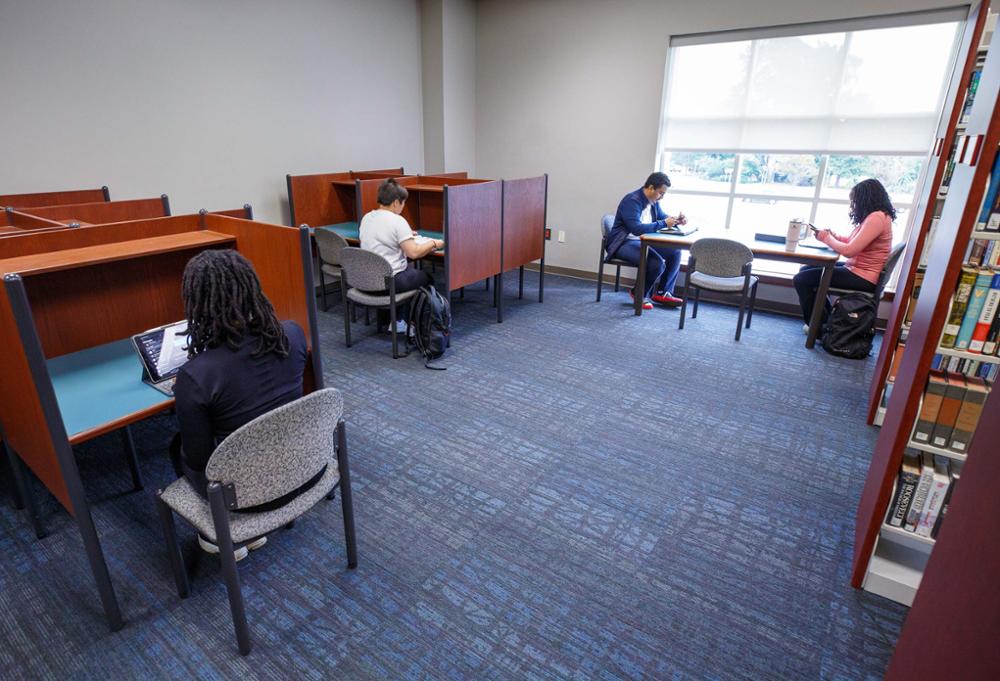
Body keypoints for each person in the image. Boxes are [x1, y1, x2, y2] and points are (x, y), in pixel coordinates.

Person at [171, 249, 310, 559]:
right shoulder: (292, 334)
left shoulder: (196, 376)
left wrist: (187, 398)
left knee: (177, 447)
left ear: (196, 305)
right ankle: (249, 529)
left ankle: (228, 533)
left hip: (247, 495)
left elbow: (199, 460)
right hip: (303, 468)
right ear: (251, 288)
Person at [793, 178, 894, 330]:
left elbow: (849, 251)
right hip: (859, 269)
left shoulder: (876, 218)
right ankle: (825, 322)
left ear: (865, 199)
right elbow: (853, 241)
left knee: (801, 279)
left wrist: (826, 239)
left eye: (854, 201)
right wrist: (833, 236)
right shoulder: (877, 216)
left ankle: (817, 328)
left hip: (863, 276)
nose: (853, 205)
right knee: (805, 270)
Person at [360, 179, 445, 330]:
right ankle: (402, 322)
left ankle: (389, 319)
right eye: (403, 203)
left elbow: (382, 234)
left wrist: (405, 234)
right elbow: (414, 253)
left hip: (368, 278)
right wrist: (435, 243)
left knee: (409, 272)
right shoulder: (398, 221)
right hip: (390, 281)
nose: (403, 206)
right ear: (395, 203)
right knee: (427, 278)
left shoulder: (367, 217)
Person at [606, 172, 686, 310]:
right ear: (650, 187)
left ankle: (663, 292)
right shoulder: (632, 201)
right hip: (623, 242)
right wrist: (664, 223)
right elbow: (636, 229)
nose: (662, 197)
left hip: (642, 241)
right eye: (661, 193)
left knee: (675, 252)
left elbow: (662, 217)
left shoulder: (653, 201)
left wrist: (676, 221)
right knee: (656, 263)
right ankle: (638, 293)